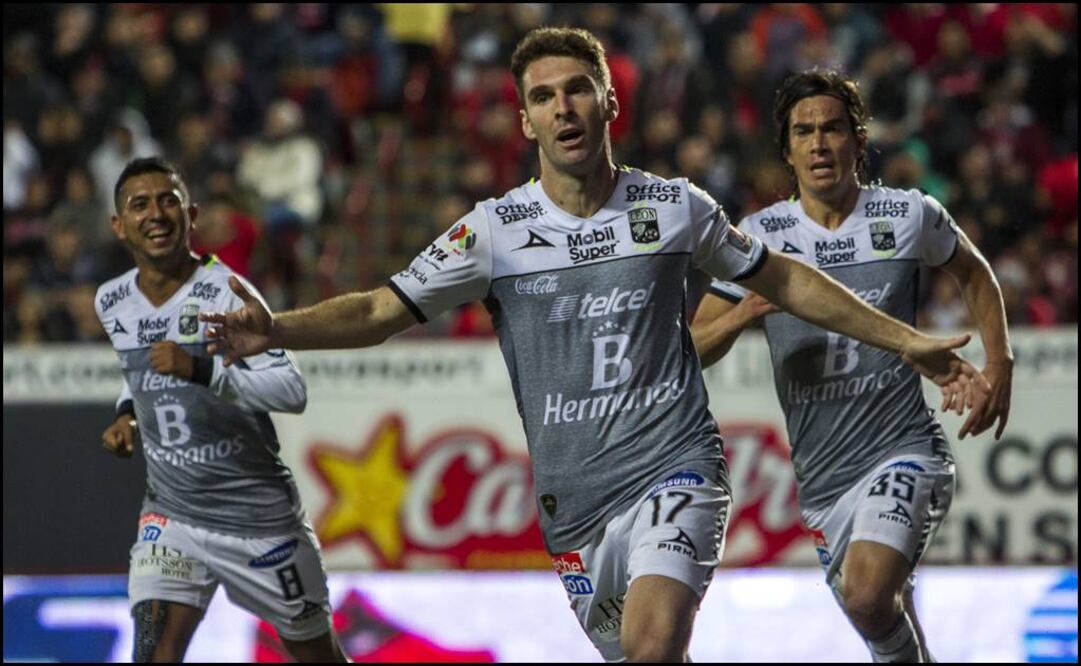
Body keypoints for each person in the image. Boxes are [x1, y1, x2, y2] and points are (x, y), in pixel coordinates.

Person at [201, 29, 984, 663]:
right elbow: (379, 309)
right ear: (525, 121)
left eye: (577, 88)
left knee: (651, 648)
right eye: (542, 96)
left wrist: (905, 339)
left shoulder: (673, 208)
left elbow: (788, 281)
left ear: (609, 101)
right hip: (573, 506)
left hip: (675, 471)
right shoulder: (494, 232)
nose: (562, 107)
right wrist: (275, 328)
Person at [691, 69, 1012, 662]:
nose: (819, 143)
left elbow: (973, 272)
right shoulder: (761, 238)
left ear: (858, 140)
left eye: (833, 129)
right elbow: (695, 346)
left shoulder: (908, 213)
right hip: (823, 481)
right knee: (885, 613)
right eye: (804, 132)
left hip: (904, 449)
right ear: (786, 150)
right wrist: (742, 315)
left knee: (868, 596)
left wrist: (1001, 361)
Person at [95, 157, 348, 662]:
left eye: (167, 200)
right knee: (151, 653)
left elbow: (290, 389)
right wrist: (127, 412)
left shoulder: (227, 294)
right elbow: (138, 369)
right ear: (118, 226)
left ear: (191, 214)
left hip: (259, 521)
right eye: (139, 204)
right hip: (172, 516)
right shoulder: (113, 300)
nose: (156, 214)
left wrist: (202, 371)